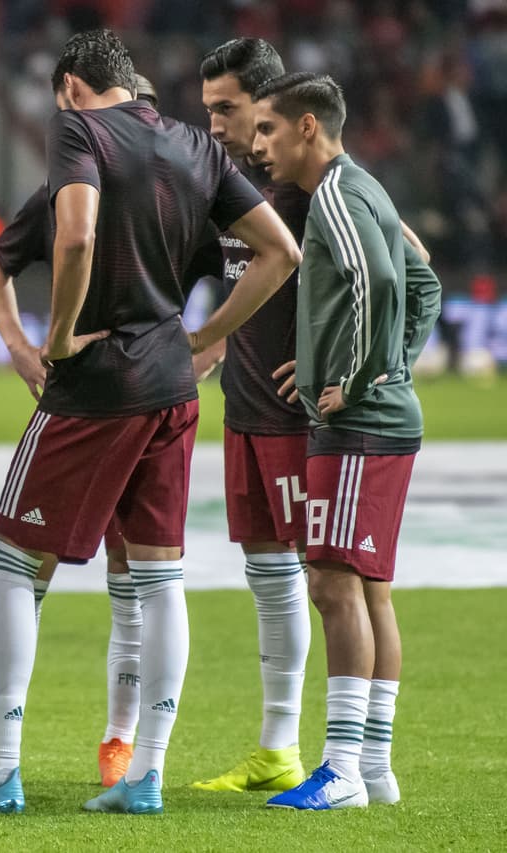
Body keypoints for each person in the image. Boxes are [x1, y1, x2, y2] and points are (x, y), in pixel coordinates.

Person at [0, 29, 300, 817]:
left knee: (10, 563)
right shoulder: (197, 145)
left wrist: (54, 338)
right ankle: (145, 775)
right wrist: (204, 335)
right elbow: (280, 251)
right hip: (171, 386)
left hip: (98, 382)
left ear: (70, 88)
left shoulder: (77, 130)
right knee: (158, 577)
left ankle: (0, 771)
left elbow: (78, 233)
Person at [0, 70, 173, 791]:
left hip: (147, 393)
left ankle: (120, 741)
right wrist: (17, 343)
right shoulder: (73, 187)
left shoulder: (179, 188)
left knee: (131, 573)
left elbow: (248, 258)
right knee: (30, 566)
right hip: (85, 390)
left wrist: (209, 339)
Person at [252, 72, 440, 811]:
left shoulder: (334, 193)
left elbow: (379, 283)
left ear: (307, 127)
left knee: (332, 584)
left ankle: (341, 772)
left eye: (267, 128)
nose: (258, 145)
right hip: (382, 417)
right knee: (369, 590)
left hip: (358, 426)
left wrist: (359, 377)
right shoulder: (368, 188)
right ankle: (374, 764)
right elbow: (424, 283)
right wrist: (381, 366)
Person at [188, 37, 315, 795]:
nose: (213, 124)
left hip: (302, 422)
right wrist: (209, 351)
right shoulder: (229, 185)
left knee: (331, 585)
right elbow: (235, 281)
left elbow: (410, 268)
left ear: (266, 105)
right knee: (268, 576)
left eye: (226, 109)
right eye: (207, 109)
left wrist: (359, 369)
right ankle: (277, 749)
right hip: (246, 412)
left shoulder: (312, 185)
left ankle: (350, 753)